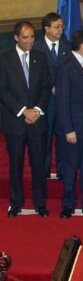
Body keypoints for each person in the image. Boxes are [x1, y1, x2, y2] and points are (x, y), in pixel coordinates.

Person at [0, 21, 51, 217]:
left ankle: (40, 203)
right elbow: (3, 91)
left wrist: (36, 109)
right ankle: (16, 202)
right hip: (15, 121)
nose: (30, 41)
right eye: (25, 37)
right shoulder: (4, 59)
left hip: (37, 121)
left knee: (39, 163)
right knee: (15, 164)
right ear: (16, 38)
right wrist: (23, 111)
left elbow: (47, 86)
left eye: (32, 37)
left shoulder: (40, 57)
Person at [54, 30, 83, 218]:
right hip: (73, 130)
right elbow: (62, 101)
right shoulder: (66, 66)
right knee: (71, 167)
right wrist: (68, 129)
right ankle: (68, 205)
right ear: (82, 45)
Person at [34, 12, 71, 180]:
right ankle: (44, 170)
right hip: (44, 101)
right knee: (44, 137)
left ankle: (63, 171)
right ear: (46, 28)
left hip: (63, 102)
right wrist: (50, 87)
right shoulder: (36, 47)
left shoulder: (66, 45)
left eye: (62, 26)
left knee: (63, 137)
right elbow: (34, 75)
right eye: (57, 27)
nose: (61, 30)